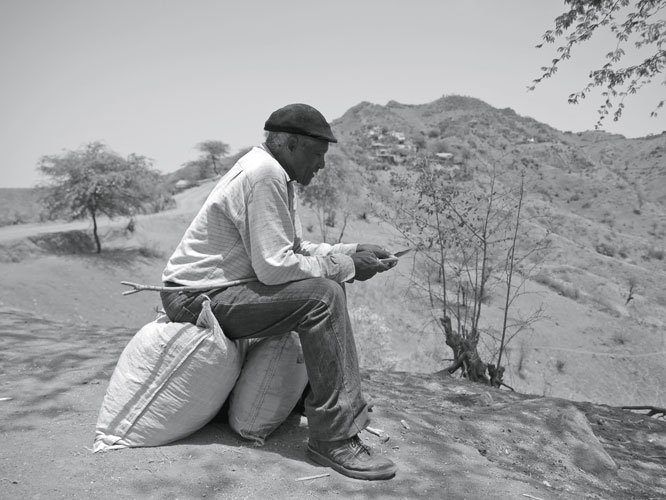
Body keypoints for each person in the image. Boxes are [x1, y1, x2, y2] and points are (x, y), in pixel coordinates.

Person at [160, 103, 397, 481]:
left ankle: (314, 403)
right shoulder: (264, 174)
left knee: (326, 286)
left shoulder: (276, 174)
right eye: (317, 154)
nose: (320, 165)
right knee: (323, 296)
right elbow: (275, 268)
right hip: (195, 297)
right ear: (289, 144)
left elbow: (295, 251)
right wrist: (350, 269)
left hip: (215, 292)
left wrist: (351, 252)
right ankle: (334, 438)